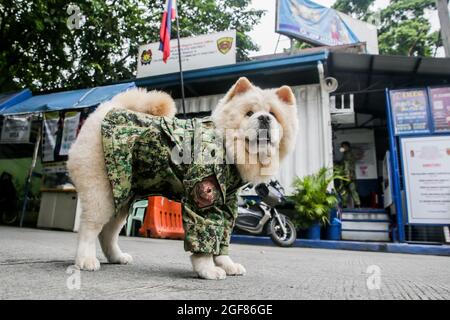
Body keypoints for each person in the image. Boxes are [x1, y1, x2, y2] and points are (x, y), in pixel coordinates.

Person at [339, 141, 361, 208]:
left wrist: (347, 175)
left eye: (343, 146)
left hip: (348, 176)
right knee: (346, 191)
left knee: (351, 190)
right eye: (342, 146)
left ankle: (357, 205)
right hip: (347, 176)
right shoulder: (346, 154)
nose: (342, 148)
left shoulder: (348, 155)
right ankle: (348, 205)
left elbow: (347, 166)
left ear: (347, 147)